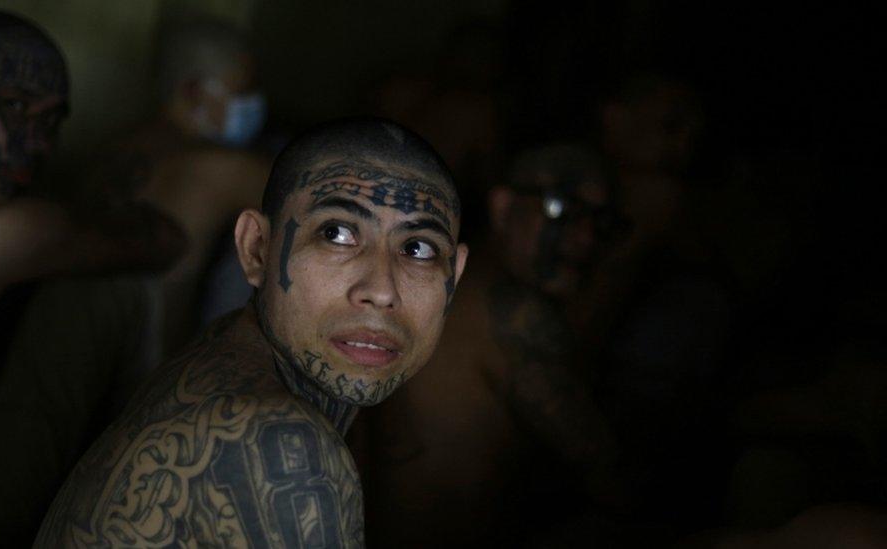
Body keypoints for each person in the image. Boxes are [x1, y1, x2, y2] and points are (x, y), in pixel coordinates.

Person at [35, 116, 468, 547]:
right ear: (256, 249)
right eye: (336, 234)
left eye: (418, 248)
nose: (381, 290)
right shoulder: (277, 438)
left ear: (456, 275)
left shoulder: (227, 353)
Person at [0, 11, 184, 546]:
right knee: (115, 284)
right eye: (11, 107)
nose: (33, 143)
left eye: (50, 121)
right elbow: (164, 238)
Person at [357, 143, 624, 547]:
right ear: (502, 207)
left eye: (600, 222)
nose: (584, 236)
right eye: (558, 209)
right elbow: (607, 469)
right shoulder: (514, 311)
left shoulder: (446, 285)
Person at [100, 15, 272, 359]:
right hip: (152, 370)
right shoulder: (221, 168)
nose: (254, 104)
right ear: (194, 91)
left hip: (86, 361)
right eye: (241, 91)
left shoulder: (109, 152)